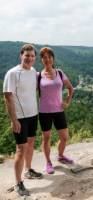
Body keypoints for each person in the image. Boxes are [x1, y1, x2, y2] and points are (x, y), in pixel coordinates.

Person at [3, 44, 43, 196]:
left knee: (31, 143)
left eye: (32, 56)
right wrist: (14, 120)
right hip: (20, 117)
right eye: (27, 55)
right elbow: (7, 97)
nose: (30, 58)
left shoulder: (33, 72)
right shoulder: (13, 73)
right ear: (21, 55)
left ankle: (29, 170)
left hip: (33, 115)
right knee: (21, 149)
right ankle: (18, 183)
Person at [38, 47, 74, 174]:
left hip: (59, 110)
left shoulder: (59, 73)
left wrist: (67, 102)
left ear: (53, 58)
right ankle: (48, 162)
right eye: (44, 57)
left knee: (64, 137)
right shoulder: (38, 76)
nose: (47, 59)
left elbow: (70, 88)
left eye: (49, 57)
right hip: (44, 112)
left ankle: (60, 155)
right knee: (46, 139)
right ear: (41, 60)